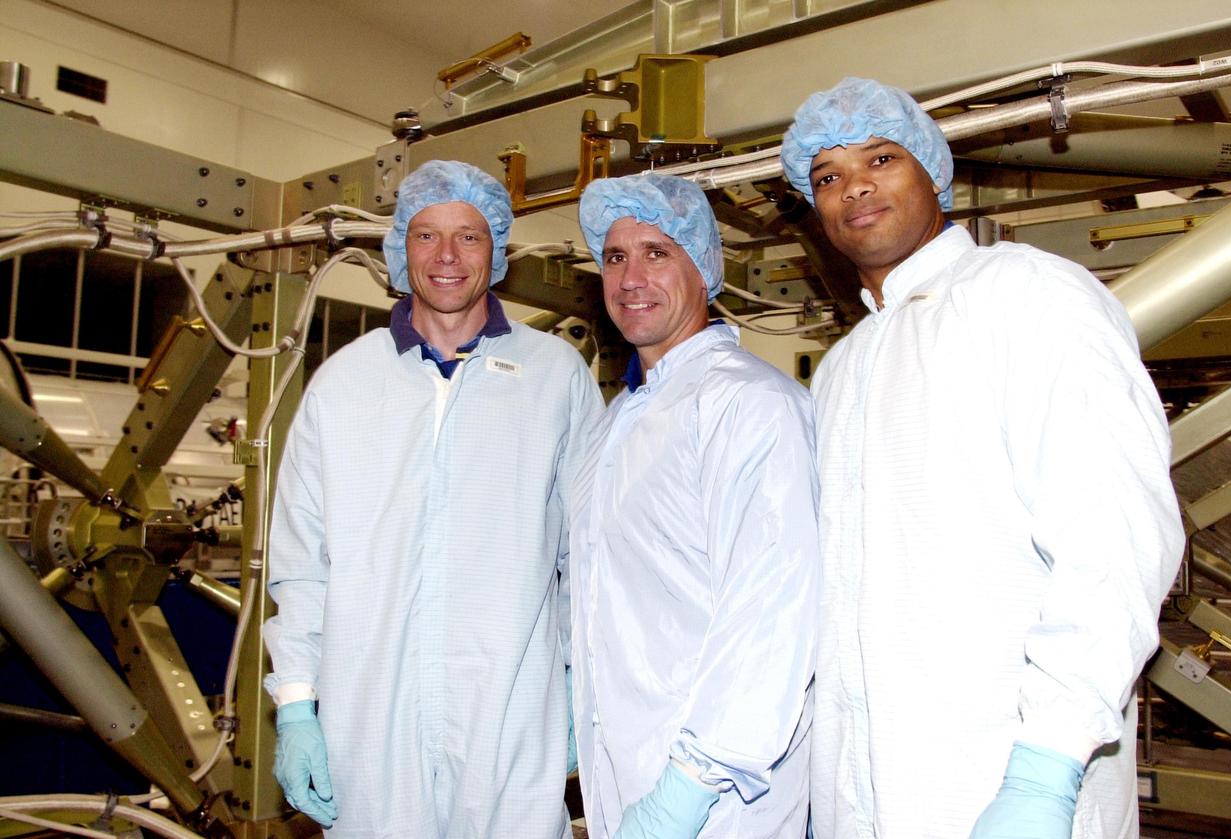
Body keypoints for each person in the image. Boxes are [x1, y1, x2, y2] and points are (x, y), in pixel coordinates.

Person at [779, 77, 1184, 839]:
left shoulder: (1029, 295)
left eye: (881, 158)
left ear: (933, 171)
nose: (853, 187)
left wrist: (1048, 764)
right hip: (865, 796)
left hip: (1007, 781)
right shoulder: (842, 368)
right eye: (827, 176)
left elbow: (1114, 535)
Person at [261, 159, 602, 838]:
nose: (446, 256)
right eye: (426, 235)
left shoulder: (554, 377)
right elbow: (302, 562)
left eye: (468, 237)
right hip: (369, 726)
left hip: (512, 719)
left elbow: (589, 555)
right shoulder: (344, 384)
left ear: (496, 252)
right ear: (399, 250)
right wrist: (297, 705)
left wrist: (579, 689)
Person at [570, 172, 821, 839]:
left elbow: (771, 613)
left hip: (718, 797)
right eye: (615, 257)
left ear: (703, 269)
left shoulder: (750, 404)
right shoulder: (620, 418)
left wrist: (688, 785)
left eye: (657, 252)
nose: (631, 277)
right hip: (626, 772)